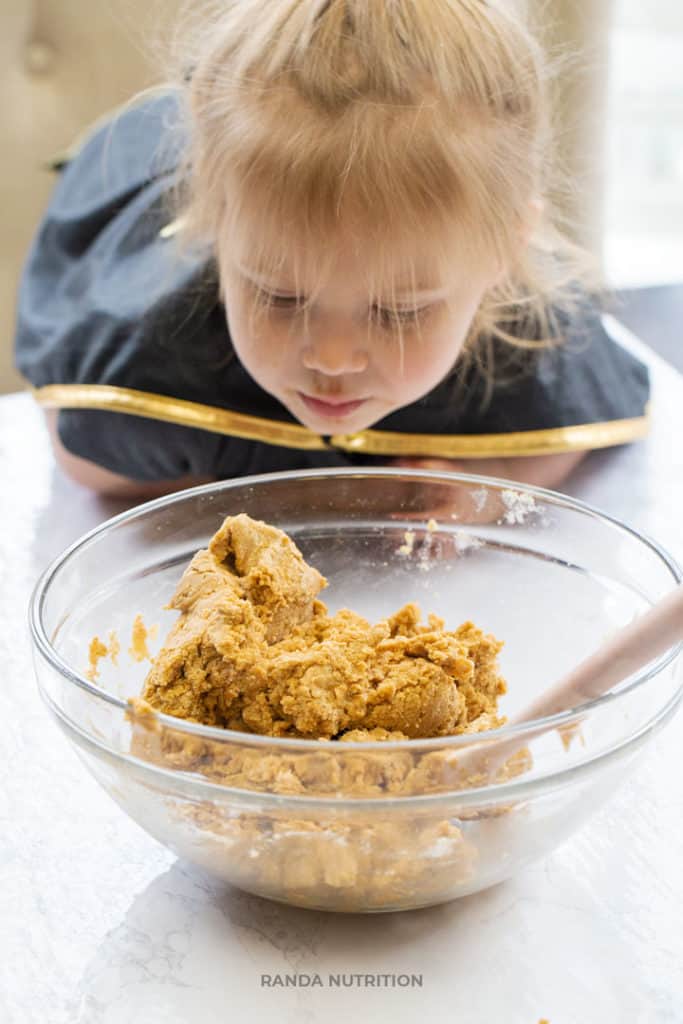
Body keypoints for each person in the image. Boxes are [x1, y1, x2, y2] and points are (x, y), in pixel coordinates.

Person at [15, 0, 649, 500]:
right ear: (216, 228)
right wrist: (266, 483)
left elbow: (567, 435)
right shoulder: (151, 350)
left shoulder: (533, 337)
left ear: (504, 253)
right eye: (280, 295)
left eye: (400, 312)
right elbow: (84, 457)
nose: (332, 357)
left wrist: (480, 490)